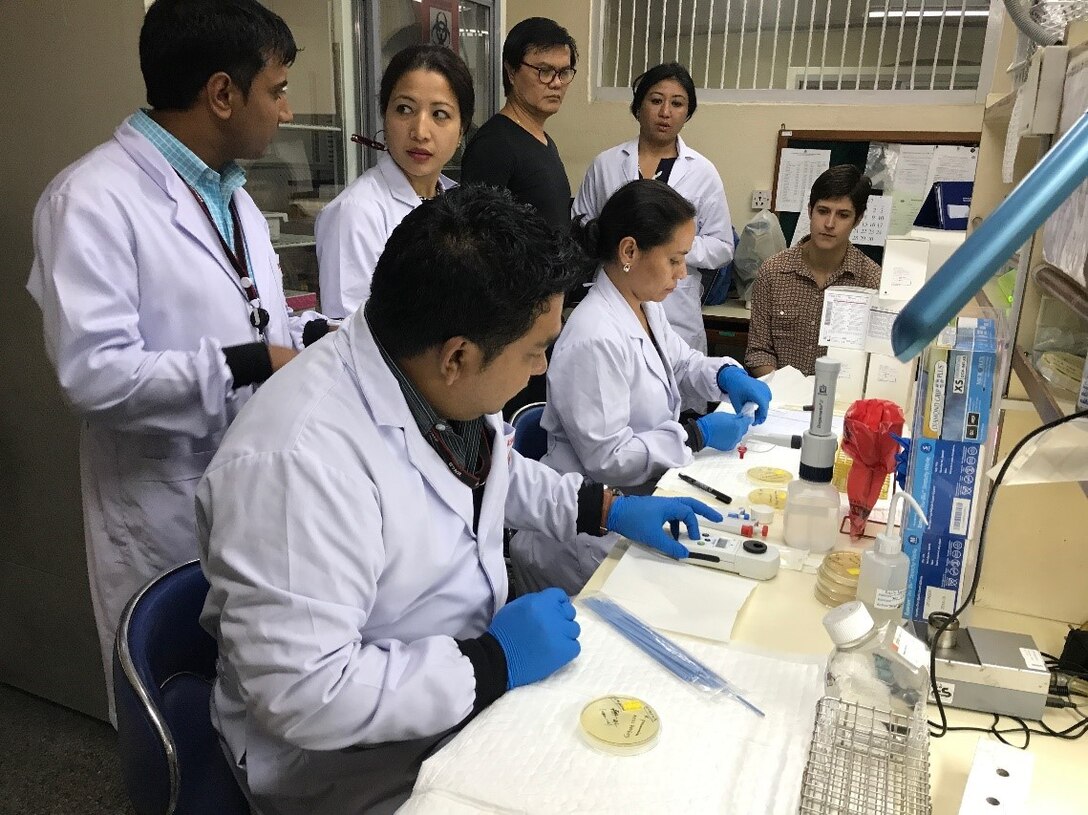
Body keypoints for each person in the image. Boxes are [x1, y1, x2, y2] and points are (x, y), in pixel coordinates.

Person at [197, 185, 722, 815]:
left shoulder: (427, 371)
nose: (541, 370)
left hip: (455, 697)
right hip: (353, 766)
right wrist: (490, 663)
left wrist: (605, 509)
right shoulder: (297, 464)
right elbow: (306, 693)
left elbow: (489, 475)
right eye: (536, 351)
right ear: (459, 357)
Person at [26, 0, 328, 722]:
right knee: (179, 717)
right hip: (159, 507)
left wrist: (323, 334)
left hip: (247, 485)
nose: (285, 112)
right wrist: (253, 359)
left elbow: (263, 315)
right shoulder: (91, 200)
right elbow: (92, 374)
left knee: (259, 709)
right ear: (222, 94)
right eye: (277, 90)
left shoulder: (234, 199)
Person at [509, 180, 770, 595]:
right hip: (584, 537)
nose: (683, 273)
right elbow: (606, 459)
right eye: (674, 260)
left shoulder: (644, 304)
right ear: (629, 251)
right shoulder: (594, 336)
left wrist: (723, 375)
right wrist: (694, 434)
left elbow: (681, 361)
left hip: (640, 498)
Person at [573, 62, 733, 365]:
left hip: (675, 310)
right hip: (614, 299)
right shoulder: (605, 164)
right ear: (638, 106)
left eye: (677, 103)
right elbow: (581, 225)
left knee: (675, 393)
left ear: (687, 112)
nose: (665, 112)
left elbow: (722, 247)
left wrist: (672, 250)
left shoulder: (702, 171)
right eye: (656, 100)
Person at [316, 45, 472, 319]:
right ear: (384, 116)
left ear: (461, 130)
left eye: (439, 114)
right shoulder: (356, 213)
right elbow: (349, 334)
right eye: (404, 109)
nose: (420, 132)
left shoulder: (459, 203)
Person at [745, 164, 881, 377]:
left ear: (858, 219)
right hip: (780, 398)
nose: (829, 223)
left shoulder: (872, 280)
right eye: (823, 211)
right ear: (810, 210)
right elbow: (759, 352)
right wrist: (783, 390)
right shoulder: (773, 272)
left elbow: (875, 360)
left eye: (843, 215)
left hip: (841, 400)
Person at [460, 17, 577, 232]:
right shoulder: (494, 146)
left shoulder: (542, 139)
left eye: (564, 72)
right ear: (512, 72)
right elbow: (476, 241)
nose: (556, 83)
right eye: (544, 71)